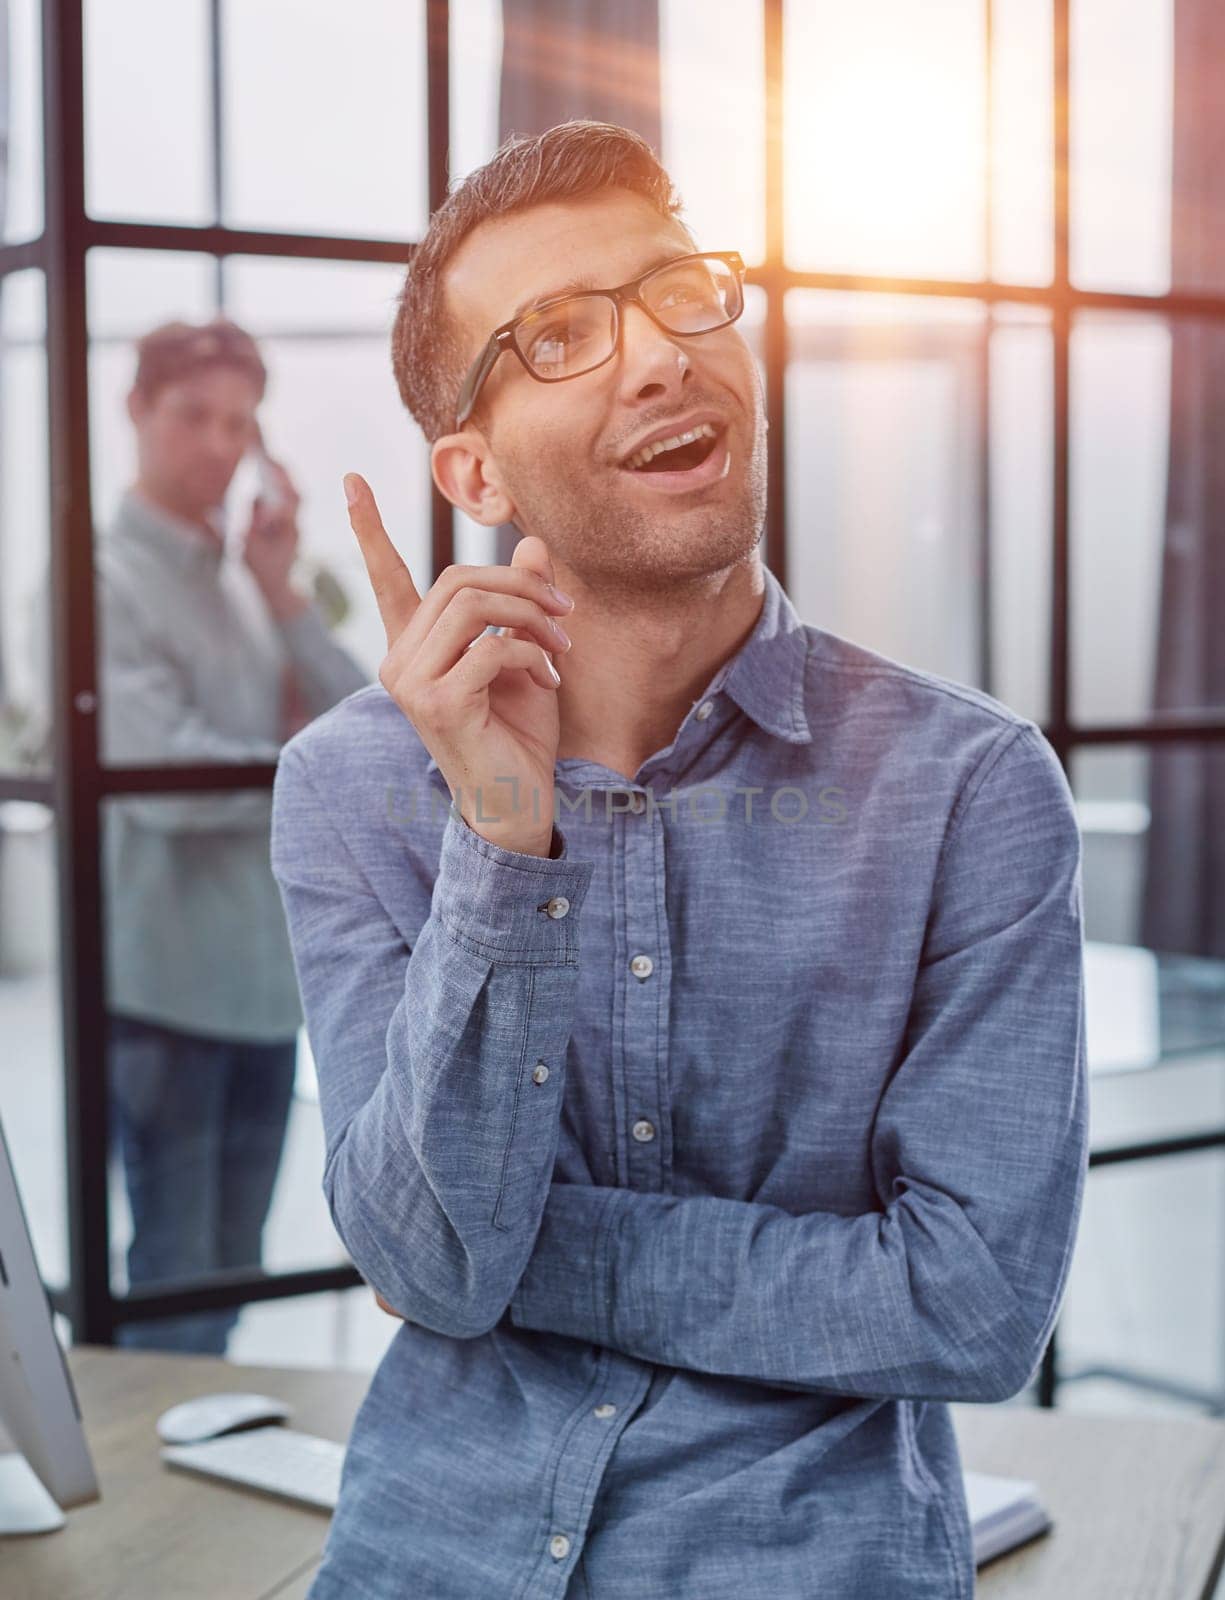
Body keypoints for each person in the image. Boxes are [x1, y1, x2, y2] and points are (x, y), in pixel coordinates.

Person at [270, 121, 1089, 1599]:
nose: (661, 357)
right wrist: (500, 843)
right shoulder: (350, 788)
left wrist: (530, 1260)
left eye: (679, 291)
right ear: (475, 472)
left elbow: (971, 1309)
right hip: (428, 1555)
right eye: (564, 336)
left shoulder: (969, 789)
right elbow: (432, 1265)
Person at [97, 317, 368, 1354]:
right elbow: (163, 780)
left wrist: (281, 587)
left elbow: (361, 726)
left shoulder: (247, 582)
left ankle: (187, 1483)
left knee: (234, 1271)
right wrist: (300, 763)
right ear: (136, 411)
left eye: (239, 424)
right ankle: (147, 1509)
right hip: (165, 998)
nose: (218, 444)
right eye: (193, 416)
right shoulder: (99, 584)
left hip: (265, 989)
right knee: (173, 1278)